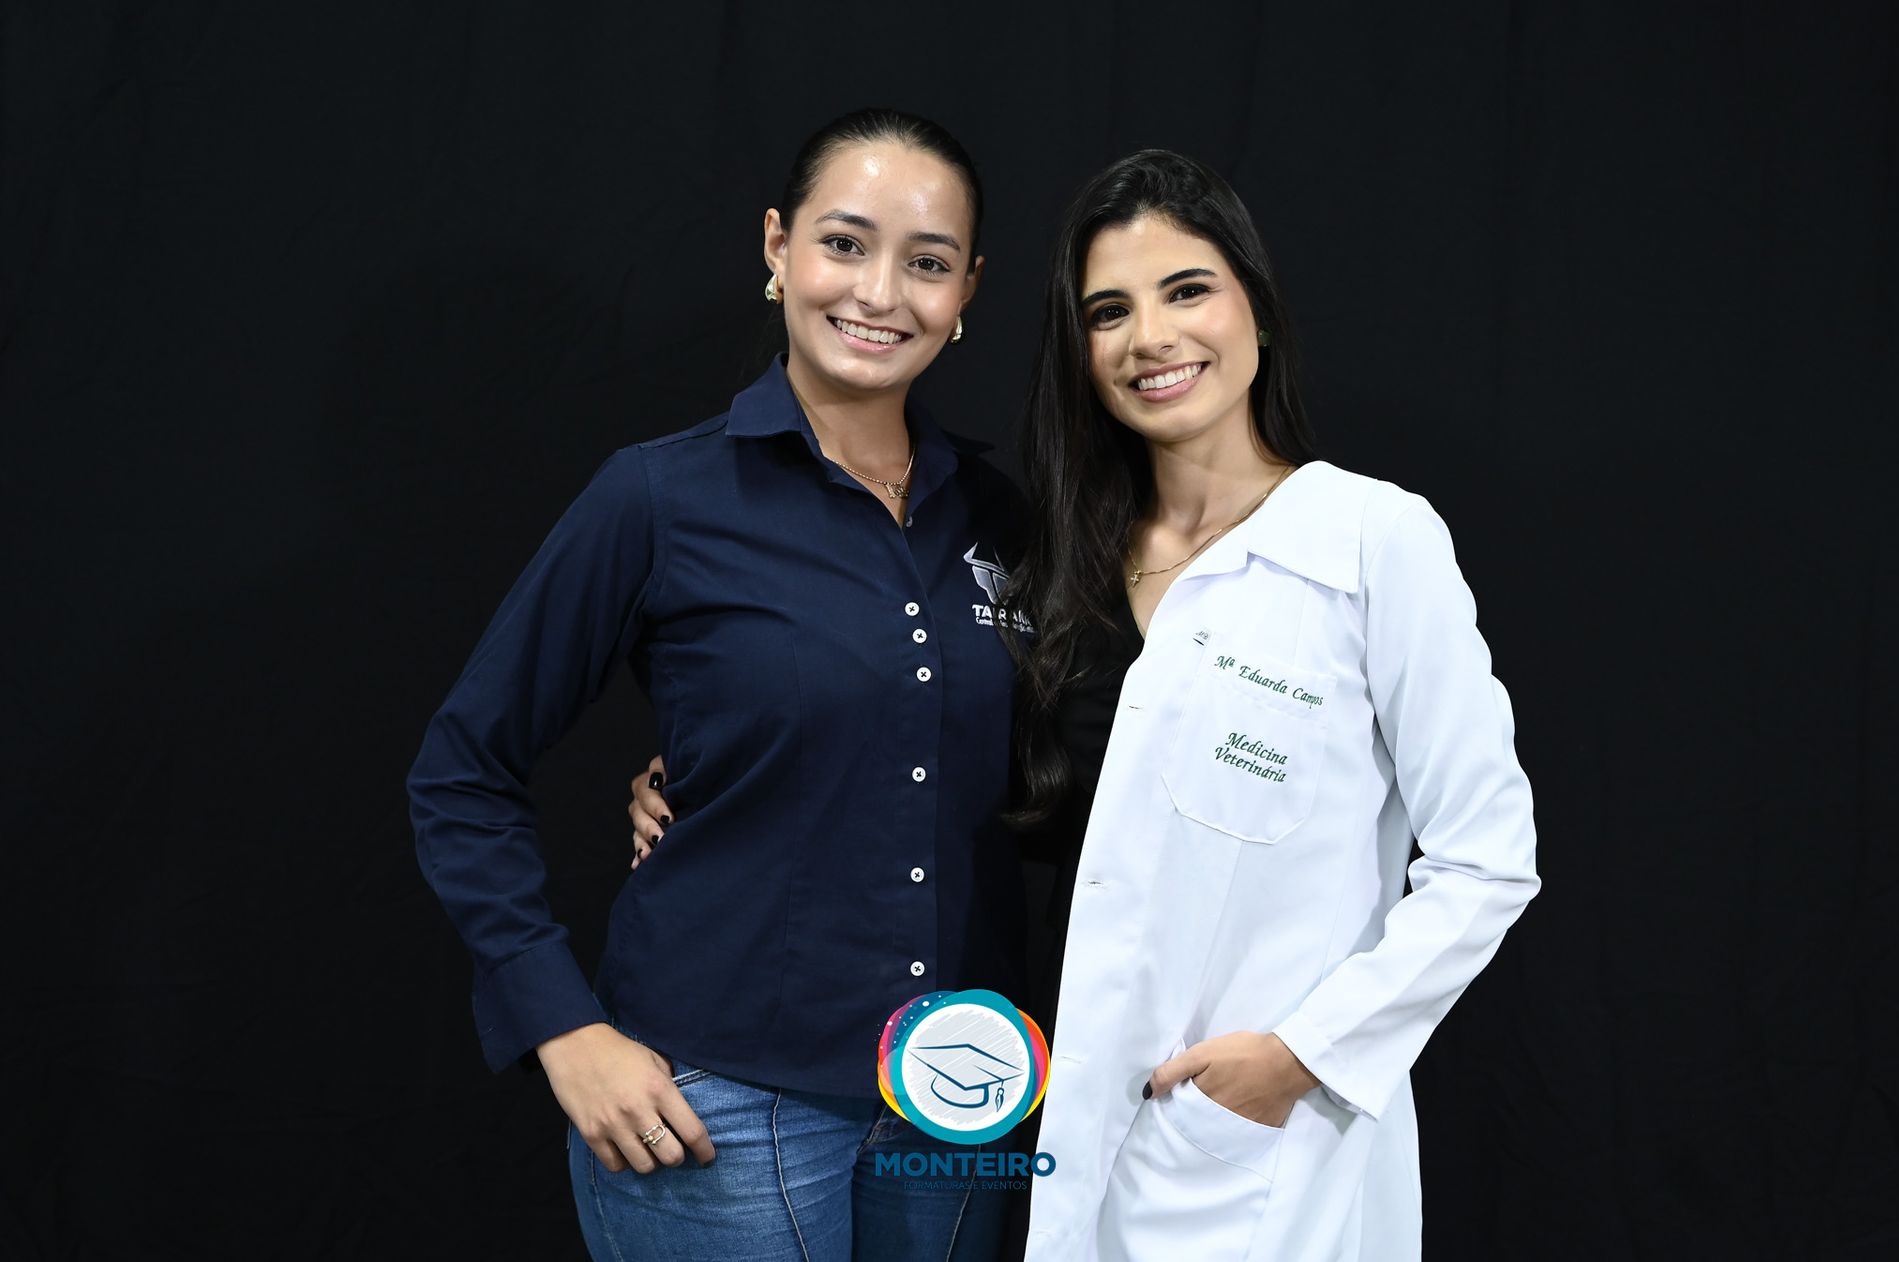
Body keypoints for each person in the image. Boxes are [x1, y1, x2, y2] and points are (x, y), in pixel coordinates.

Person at [407, 107, 1029, 1262]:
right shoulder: (659, 497)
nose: (880, 292)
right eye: (844, 244)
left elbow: (1034, 778)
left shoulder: (1008, 521)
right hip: (721, 1103)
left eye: (927, 262)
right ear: (777, 246)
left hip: (960, 1096)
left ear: (968, 291)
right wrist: (562, 1026)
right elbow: (461, 771)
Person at [996, 149, 1541, 1261]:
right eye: (1109, 311)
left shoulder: (1371, 542)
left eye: (1186, 290)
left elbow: (1488, 860)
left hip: (1258, 1157)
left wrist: (1301, 1055)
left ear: (1255, 304)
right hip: (1056, 1123)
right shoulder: (1061, 569)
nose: (1150, 338)